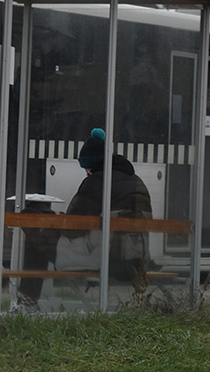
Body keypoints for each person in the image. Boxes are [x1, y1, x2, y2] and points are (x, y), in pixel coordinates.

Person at [17, 127, 153, 310]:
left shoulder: (97, 181)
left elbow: (73, 228)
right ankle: (29, 302)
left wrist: (55, 218)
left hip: (104, 256)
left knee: (35, 238)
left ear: (93, 163)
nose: (86, 171)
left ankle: (28, 304)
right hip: (135, 258)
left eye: (86, 167)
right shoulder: (136, 181)